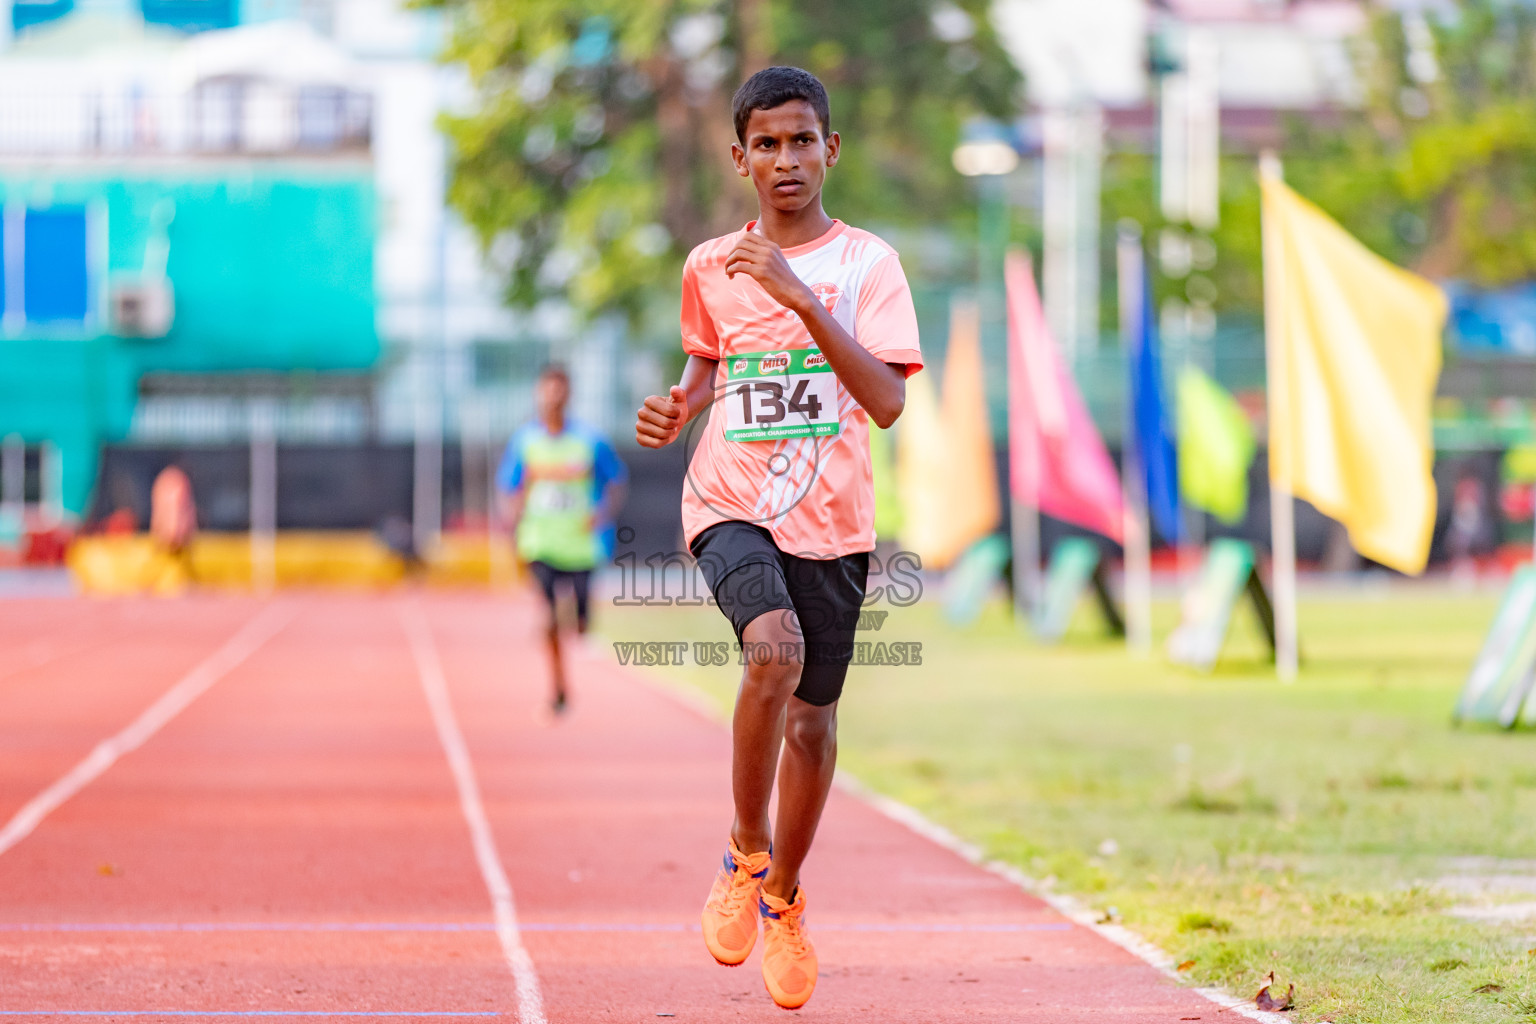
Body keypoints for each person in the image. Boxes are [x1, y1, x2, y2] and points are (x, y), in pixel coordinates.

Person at [633, 66, 922, 1010]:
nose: (786, 159)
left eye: (803, 141)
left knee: (814, 721)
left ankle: (787, 899)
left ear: (829, 150)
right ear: (740, 158)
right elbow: (710, 359)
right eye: (768, 143)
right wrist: (683, 404)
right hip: (728, 500)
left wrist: (802, 297)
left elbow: (884, 401)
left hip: (832, 525)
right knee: (773, 653)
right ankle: (745, 854)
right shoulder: (711, 263)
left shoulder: (868, 267)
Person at [499, 365, 627, 714]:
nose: (553, 396)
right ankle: (558, 687)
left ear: (569, 394)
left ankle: (575, 622)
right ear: (538, 393)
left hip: (580, 545)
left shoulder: (591, 440)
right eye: (547, 389)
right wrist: (514, 524)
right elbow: (509, 488)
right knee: (550, 617)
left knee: (581, 625)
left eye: (560, 389)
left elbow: (616, 481)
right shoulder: (524, 441)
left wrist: (600, 515)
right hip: (539, 540)